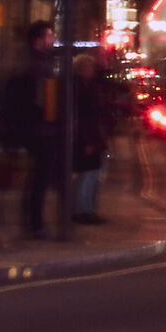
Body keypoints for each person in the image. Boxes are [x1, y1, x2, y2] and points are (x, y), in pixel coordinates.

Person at [2, 22, 62, 240]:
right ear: (39, 39)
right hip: (39, 129)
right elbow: (42, 100)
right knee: (40, 177)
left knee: (37, 178)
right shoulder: (38, 65)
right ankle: (35, 223)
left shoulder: (29, 61)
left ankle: (32, 221)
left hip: (34, 127)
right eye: (49, 35)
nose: (52, 39)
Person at [71, 54, 112, 225]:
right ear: (81, 69)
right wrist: (87, 141)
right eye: (88, 67)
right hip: (87, 138)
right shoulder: (79, 88)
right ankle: (82, 210)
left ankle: (88, 209)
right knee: (87, 175)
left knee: (94, 175)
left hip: (94, 137)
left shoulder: (88, 85)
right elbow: (83, 117)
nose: (91, 70)